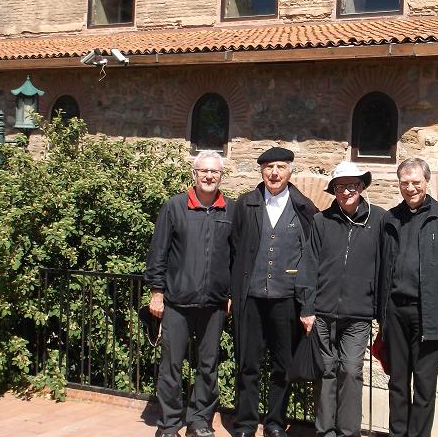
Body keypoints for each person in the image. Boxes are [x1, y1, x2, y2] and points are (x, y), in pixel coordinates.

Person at [145, 151, 234, 437]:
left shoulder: (231, 211)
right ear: (194, 174)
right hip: (177, 303)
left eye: (214, 172)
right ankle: (169, 423)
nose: (209, 176)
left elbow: (236, 257)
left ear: (221, 176)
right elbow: (158, 252)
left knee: (208, 366)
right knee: (171, 366)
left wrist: (230, 294)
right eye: (203, 171)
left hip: (214, 304)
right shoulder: (173, 207)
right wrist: (156, 293)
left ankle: (199, 422)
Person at [230, 147, 318, 437]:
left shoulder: (305, 209)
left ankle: (275, 423)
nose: (274, 173)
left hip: (287, 300)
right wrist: (232, 293)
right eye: (268, 167)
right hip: (251, 298)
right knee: (248, 364)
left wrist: (307, 303)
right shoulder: (246, 204)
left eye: (280, 167)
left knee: (283, 366)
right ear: (261, 171)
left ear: (291, 170)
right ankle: (244, 423)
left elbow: (311, 258)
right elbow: (233, 250)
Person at [297, 161, 386, 437]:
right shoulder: (321, 221)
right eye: (340, 186)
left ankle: (348, 431)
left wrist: (380, 312)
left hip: (358, 314)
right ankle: (325, 431)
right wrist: (307, 307)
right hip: (322, 311)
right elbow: (309, 264)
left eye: (352, 185)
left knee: (350, 370)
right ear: (333, 190)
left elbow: (385, 267)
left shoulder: (380, 220)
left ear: (361, 187)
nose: (346, 191)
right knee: (325, 371)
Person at [378, 157, 438, 437]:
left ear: (427, 181)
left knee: (425, 387)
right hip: (396, 312)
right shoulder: (390, 218)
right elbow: (382, 266)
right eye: (405, 183)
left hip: (429, 314)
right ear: (399, 184)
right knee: (397, 383)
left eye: (416, 182)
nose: (411, 188)